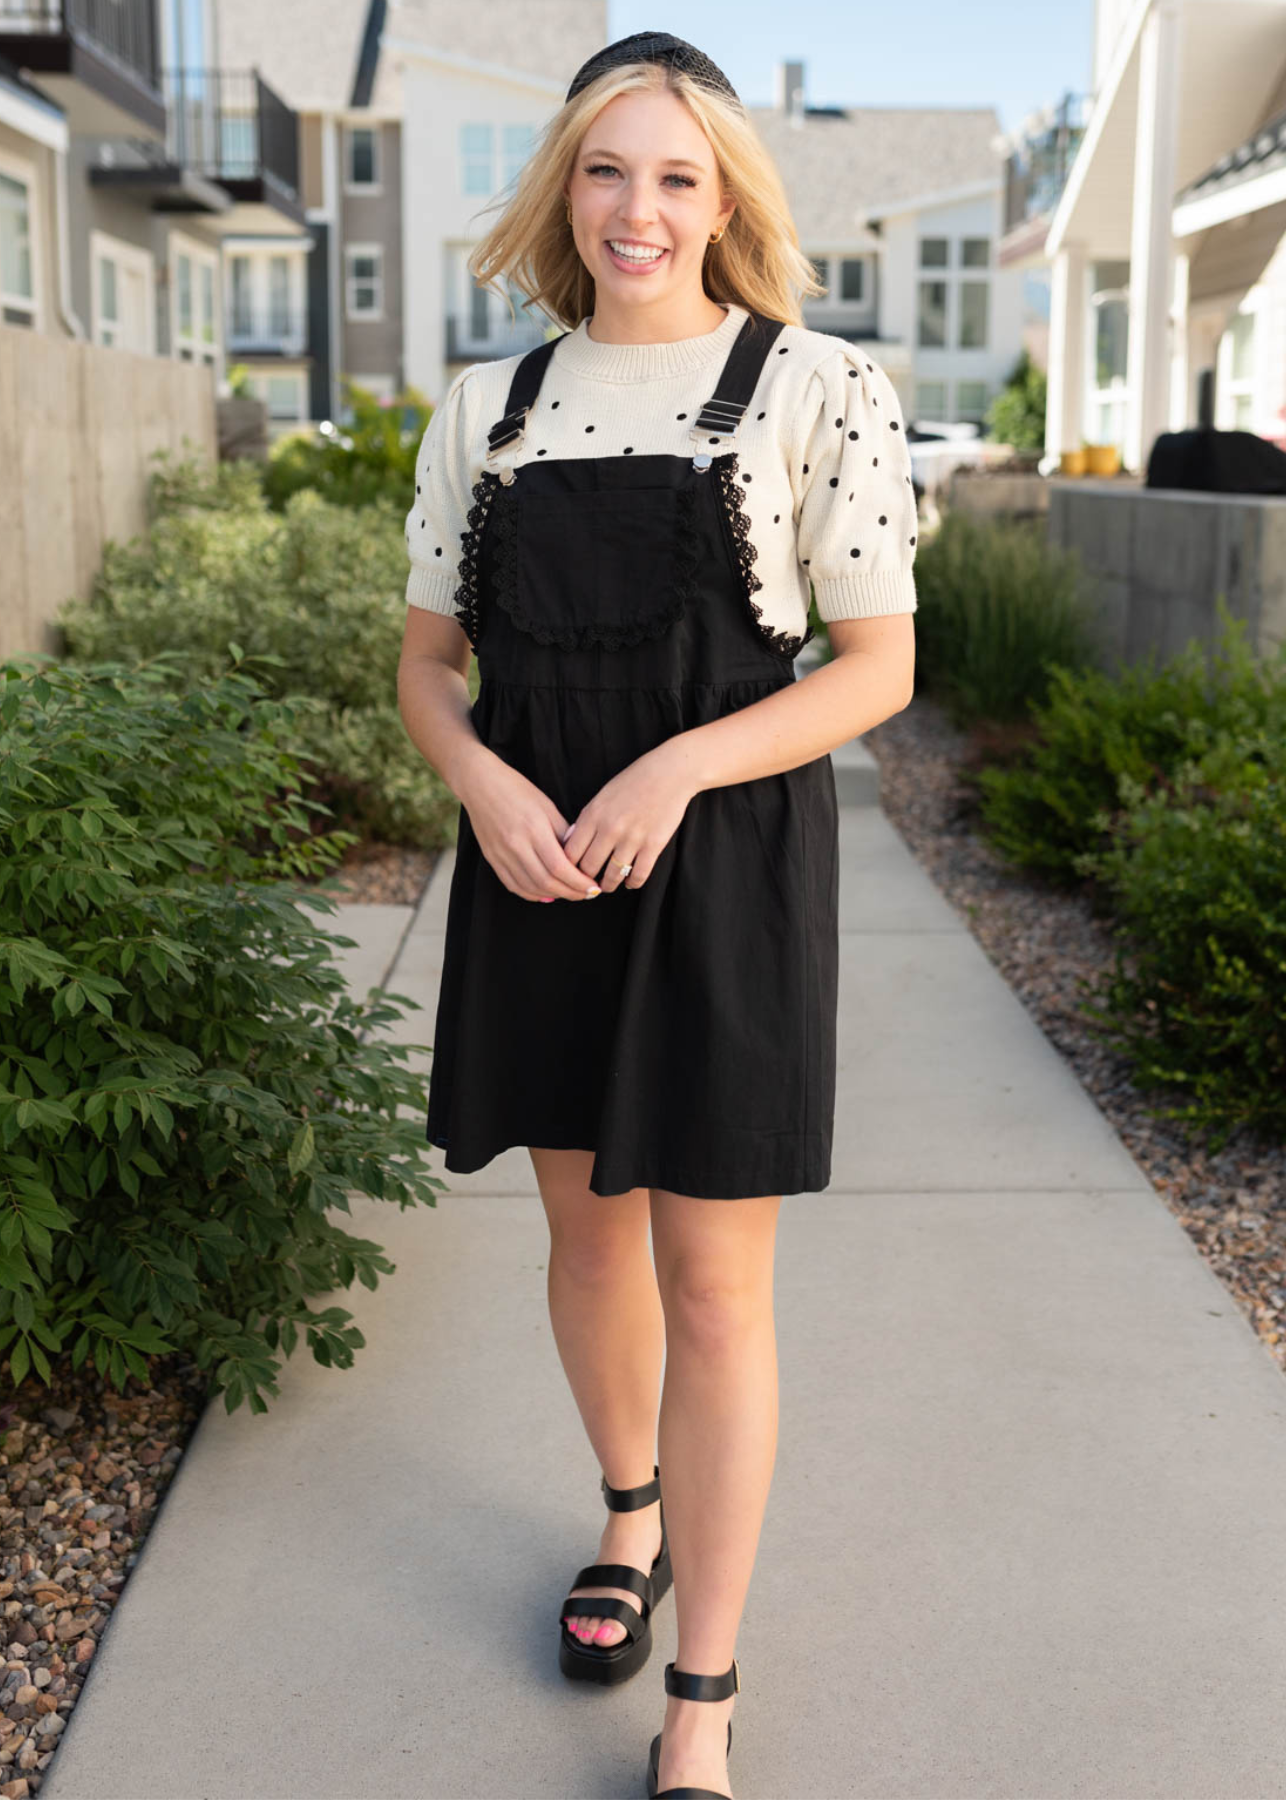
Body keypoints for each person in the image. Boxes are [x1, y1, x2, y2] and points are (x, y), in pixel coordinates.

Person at [396, 30, 917, 1800]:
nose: (639, 209)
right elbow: (424, 672)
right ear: (563, 192)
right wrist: (483, 787)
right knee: (585, 1244)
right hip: (537, 869)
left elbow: (878, 669)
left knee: (712, 1282)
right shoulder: (490, 405)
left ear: (724, 199)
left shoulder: (814, 386)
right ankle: (628, 1520)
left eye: (676, 176)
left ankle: (703, 1699)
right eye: (606, 171)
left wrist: (678, 770)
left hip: (718, 884)